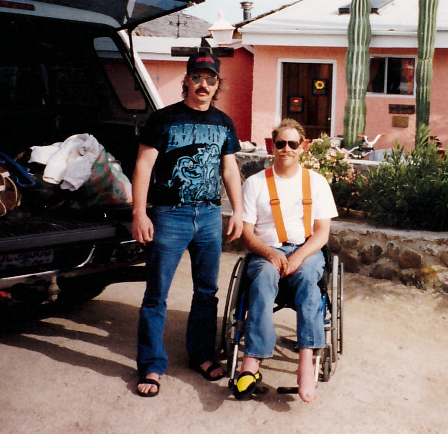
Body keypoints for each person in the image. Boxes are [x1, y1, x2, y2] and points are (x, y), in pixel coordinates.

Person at [132, 49, 243, 397]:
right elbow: (144, 166)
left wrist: (237, 210)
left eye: (211, 79)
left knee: (207, 292)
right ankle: (151, 366)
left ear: (217, 85)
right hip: (169, 216)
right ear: (186, 81)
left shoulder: (224, 123)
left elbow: (229, 169)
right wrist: (139, 213)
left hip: (209, 215)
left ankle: (201, 355)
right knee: (156, 295)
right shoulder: (163, 119)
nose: (204, 85)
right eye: (197, 77)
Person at [239, 118, 337, 403]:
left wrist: (298, 255)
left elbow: (322, 232)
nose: (286, 149)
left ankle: (306, 363)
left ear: (302, 147)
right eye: (280, 143)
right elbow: (247, 232)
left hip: (305, 251)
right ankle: (251, 363)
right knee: (263, 278)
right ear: (273, 146)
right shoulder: (255, 183)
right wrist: (271, 254)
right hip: (266, 251)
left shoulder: (316, 183)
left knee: (309, 280)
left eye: (292, 144)